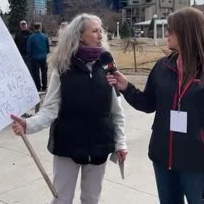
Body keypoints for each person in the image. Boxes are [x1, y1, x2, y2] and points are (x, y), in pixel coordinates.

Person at [107, 7, 204, 204]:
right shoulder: (162, 67)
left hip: (199, 164)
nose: (167, 34)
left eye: (171, 30)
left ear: (187, 33)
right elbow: (148, 103)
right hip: (163, 159)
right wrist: (126, 87)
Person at [11, 14, 128, 204]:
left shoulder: (107, 66)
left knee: (91, 198)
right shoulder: (63, 67)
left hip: (99, 143)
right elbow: (51, 108)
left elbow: (116, 111)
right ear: (80, 35)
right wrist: (28, 124)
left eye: (101, 30)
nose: (100, 35)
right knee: (62, 199)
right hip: (68, 144)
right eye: (95, 30)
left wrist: (121, 143)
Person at [27, 22, 50, 91]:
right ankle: (44, 86)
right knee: (44, 72)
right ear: (40, 27)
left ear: (34, 28)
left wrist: (30, 56)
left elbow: (28, 49)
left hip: (34, 58)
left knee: (36, 73)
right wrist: (45, 53)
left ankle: (38, 87)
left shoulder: (31, 37)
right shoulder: (45, 36)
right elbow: (48, 48)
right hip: (43, 57)